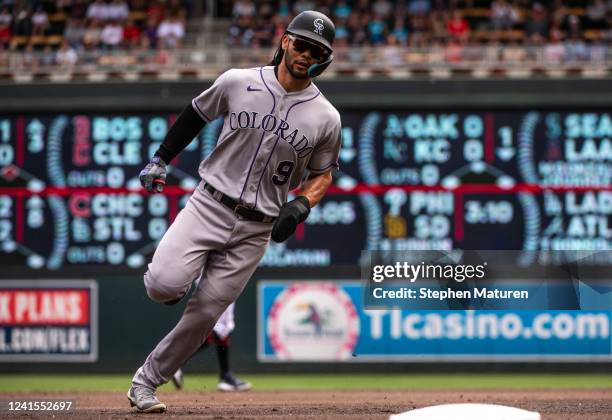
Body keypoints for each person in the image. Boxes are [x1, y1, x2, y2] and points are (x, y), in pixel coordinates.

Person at [127, 10, 340, 413]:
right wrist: (161, 158)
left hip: (256, 229)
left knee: (206, 314)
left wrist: (302, 203)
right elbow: (195, 114)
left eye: (315, 50)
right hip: (209, 203)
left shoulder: (327, 117)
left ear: (322, 59)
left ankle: (146, 383)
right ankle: (174, 282)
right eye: (301, 43)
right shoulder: (238, 81)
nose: (305, 53)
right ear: (285, 41)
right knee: (162, 287)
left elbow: (323, 175)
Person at [171, 303, 252, 392]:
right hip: (222, 290)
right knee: (221, 327)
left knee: (222, 330)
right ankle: (175, 362)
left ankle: (225, 375)